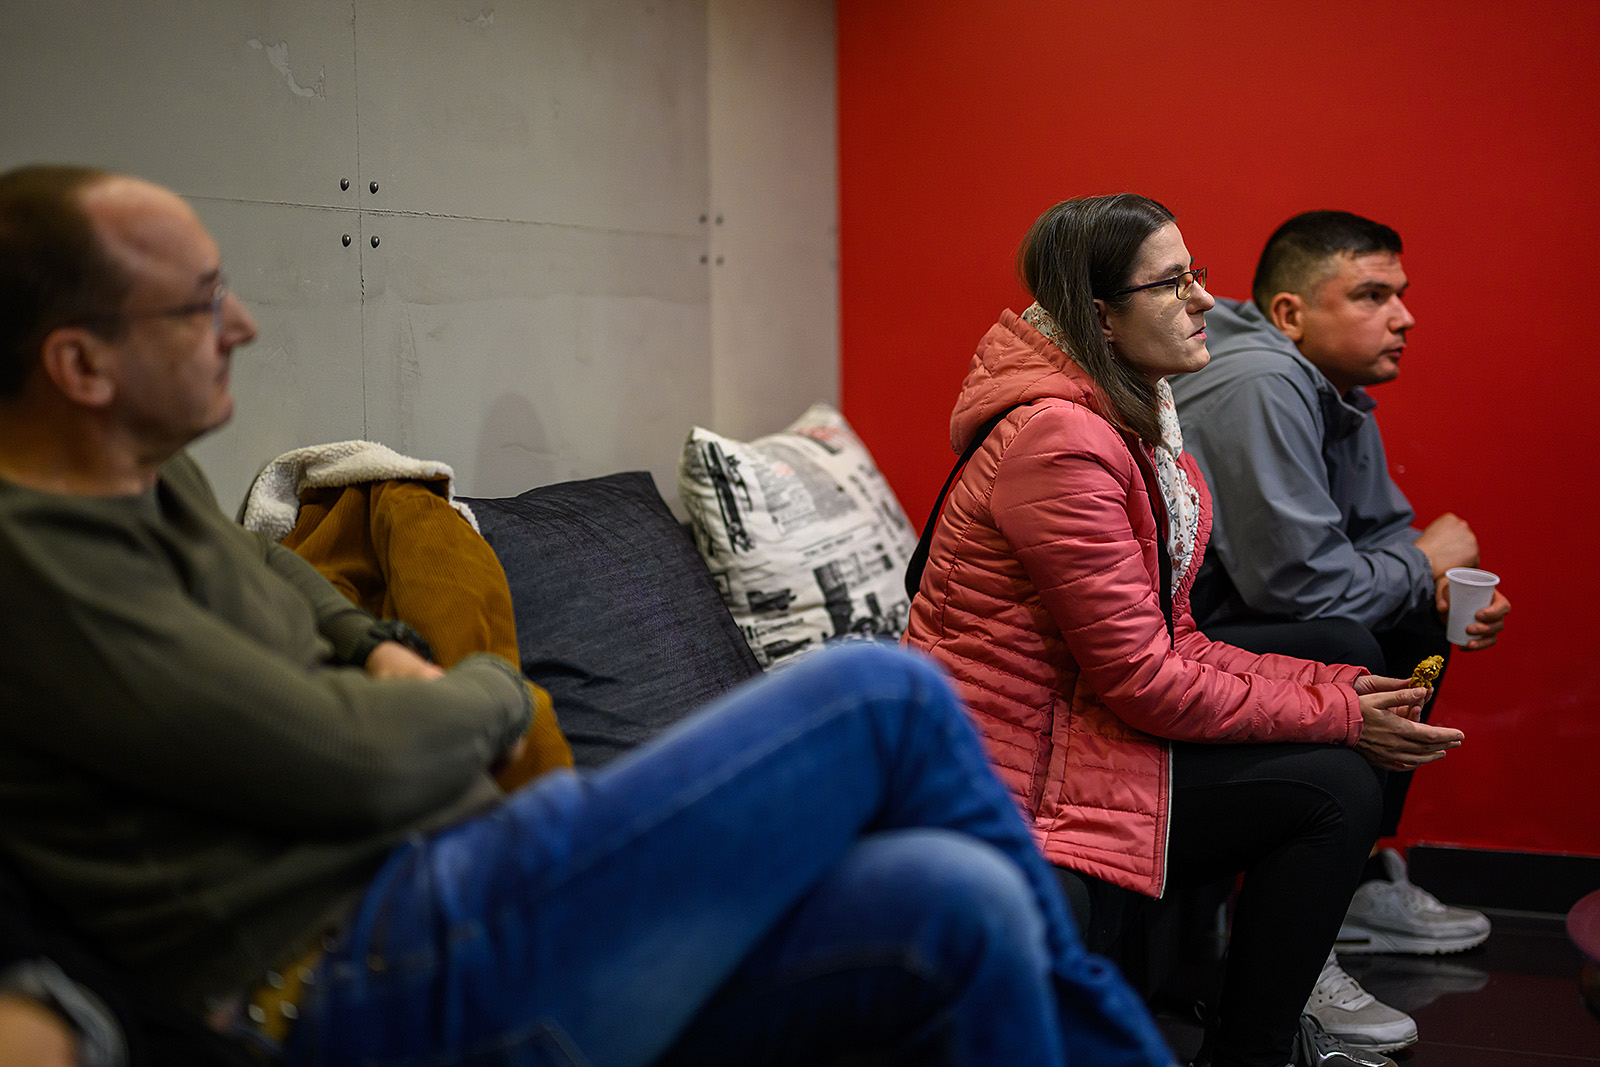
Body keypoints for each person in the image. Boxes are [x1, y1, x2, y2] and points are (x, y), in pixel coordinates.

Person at [0, 165, 1176, 1067]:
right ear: (80, 365)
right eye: (200, 302)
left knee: (957, 900)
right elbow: (356, 761)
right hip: (360, 964)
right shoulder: (36, 564)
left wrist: (368, 643)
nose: (243, 322)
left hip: (459, 877)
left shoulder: (148, 478)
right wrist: (486, 691)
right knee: (885, 691)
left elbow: (289, 584)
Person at [904, 194, 1466, 1067]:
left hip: (1079, 732)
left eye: (1194, 273)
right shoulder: (1062, 442)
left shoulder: (1133, 417)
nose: (1205, 297)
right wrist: (1341, 717)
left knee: (1343, 704)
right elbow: (1145, 680)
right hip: (1023, 778)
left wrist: (1335, 691)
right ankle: (1253, 1050)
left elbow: (1176, 640)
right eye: (1172, 283)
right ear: (1102, 316)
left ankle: (1264, 1023)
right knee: (1335, 785)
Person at [1167, 212, 1511, 1042]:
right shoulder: (1262, 379)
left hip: (1245, 621)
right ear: (1290, 313)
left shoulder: (1332, 386)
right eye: (1372, 295)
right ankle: (1300, 930)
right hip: (1181, 643)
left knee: (1415, 622)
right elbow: (1300, 587)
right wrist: (1424, 563)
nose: (1404, 316)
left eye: (1401, 294)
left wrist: (1435, 580)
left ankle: (1341, 890)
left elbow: (1380, 533)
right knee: (1351, 641)